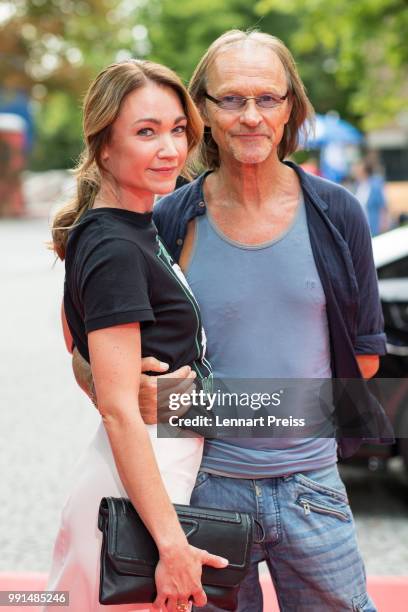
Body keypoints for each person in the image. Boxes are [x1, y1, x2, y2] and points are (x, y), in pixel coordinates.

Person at [71, 30, 390, 611]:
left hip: (312, 489)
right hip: (203, 489)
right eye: (231, 100)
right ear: (203, 112)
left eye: (267, 98)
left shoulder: (336, 213)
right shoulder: (168, 216)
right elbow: (86, 347)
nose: (251, 117)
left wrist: (192, 403)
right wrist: (110, 383)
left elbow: (365, 364)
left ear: (290, 107)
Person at [46, 59, 228, 612]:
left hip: (139, 479)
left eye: (178, 130)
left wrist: (164, 396)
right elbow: (121, 410)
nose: (170, 149)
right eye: (146, 132)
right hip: (141, 494)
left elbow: (75, 339)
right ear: (103, 145)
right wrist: (173, 545)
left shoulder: (125, 227)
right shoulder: (115, 245)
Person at [352, 157, 388, 236]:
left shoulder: (375, 186)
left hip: (374, 228)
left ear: (365, 171)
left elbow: (383, 207)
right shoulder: (357, 186)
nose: (356, 171)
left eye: (359, 169)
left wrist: (383, 226)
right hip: (360, 229)